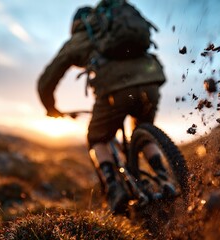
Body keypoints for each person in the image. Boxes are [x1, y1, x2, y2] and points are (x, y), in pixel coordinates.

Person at [37, 1, 170, 214]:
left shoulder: (80, 38)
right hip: (150, 82)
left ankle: (114, 188)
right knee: (143, 130)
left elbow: (47, 80)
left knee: (97, 138)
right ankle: (165, 178)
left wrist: (51, 107)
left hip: (114, 92)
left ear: (75, 25)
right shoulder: (112, 25)